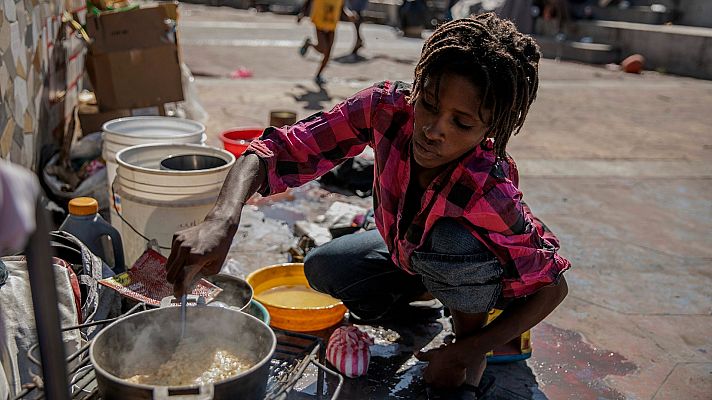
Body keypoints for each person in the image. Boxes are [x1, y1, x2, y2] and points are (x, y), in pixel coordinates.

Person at [167, 13, 570, 397]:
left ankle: (469, 338)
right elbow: (278, 149)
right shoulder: (386, 110)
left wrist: (465, 351)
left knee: (451, 243)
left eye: (461, 124)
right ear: (418, 83)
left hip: (475, 276)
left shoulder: (488, 188)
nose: (433, 130)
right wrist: (222, 219)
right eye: (428, 103)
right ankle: (430, 293)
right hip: (409, 254)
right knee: (322, 267)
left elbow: (552, 288)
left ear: (491, 129)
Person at [297, 0, 347, 85]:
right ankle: (309, 44)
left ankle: (319, 75)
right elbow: (308, 1)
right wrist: (302, 13)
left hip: (332, 25)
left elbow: (342, 8)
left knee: (328, 54)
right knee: (323, 49)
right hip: (319, 22)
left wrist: (349, 15)